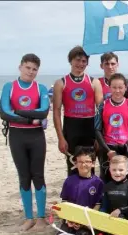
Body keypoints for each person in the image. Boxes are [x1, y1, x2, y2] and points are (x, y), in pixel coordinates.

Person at [0, 53, 51, 231]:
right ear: (20, 67)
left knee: (38, 175)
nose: (31, 71)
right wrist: (30, 118)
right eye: (28, 67)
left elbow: (43, 112)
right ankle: (29, 218)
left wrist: (18, 111)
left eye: (34, 69)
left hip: (36, 137)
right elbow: (5, 113)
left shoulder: (41, 88)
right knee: (24, 177)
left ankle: (41, 218)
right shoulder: (10, 87)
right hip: (17, 136)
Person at [53, 46, 96, 176]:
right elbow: (56, 111)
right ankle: (73, 195)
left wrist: (99, 137)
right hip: (71, 128)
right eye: (77, 60)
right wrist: (60, 138)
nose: (80, 64)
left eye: (84, 61)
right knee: (72, 165)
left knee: (89, 165)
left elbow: (101, 111)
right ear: (70, 61)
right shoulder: (61, 83)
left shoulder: (94, 82)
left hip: (90, 127)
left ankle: (90, 193)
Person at [94, 73, 128, 184]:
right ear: (109, 87)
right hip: (108, 148)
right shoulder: (102, 106)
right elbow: (97, 129)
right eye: (114, 87)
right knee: (107, 179)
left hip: (126, 147)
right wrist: (108, 150)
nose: (117, 91)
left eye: (120, 87)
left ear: (125, 88)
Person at [56, 146, 104, 235]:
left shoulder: (98, 183)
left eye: (87, 161)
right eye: (80, 162)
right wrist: (68, 219)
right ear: (75, 163)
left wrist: (83, 222)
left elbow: (98, 205)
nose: (83, 164)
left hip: (88, 220)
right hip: (71, 218)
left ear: (93, 164)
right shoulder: (70, 181)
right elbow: (65, 202)